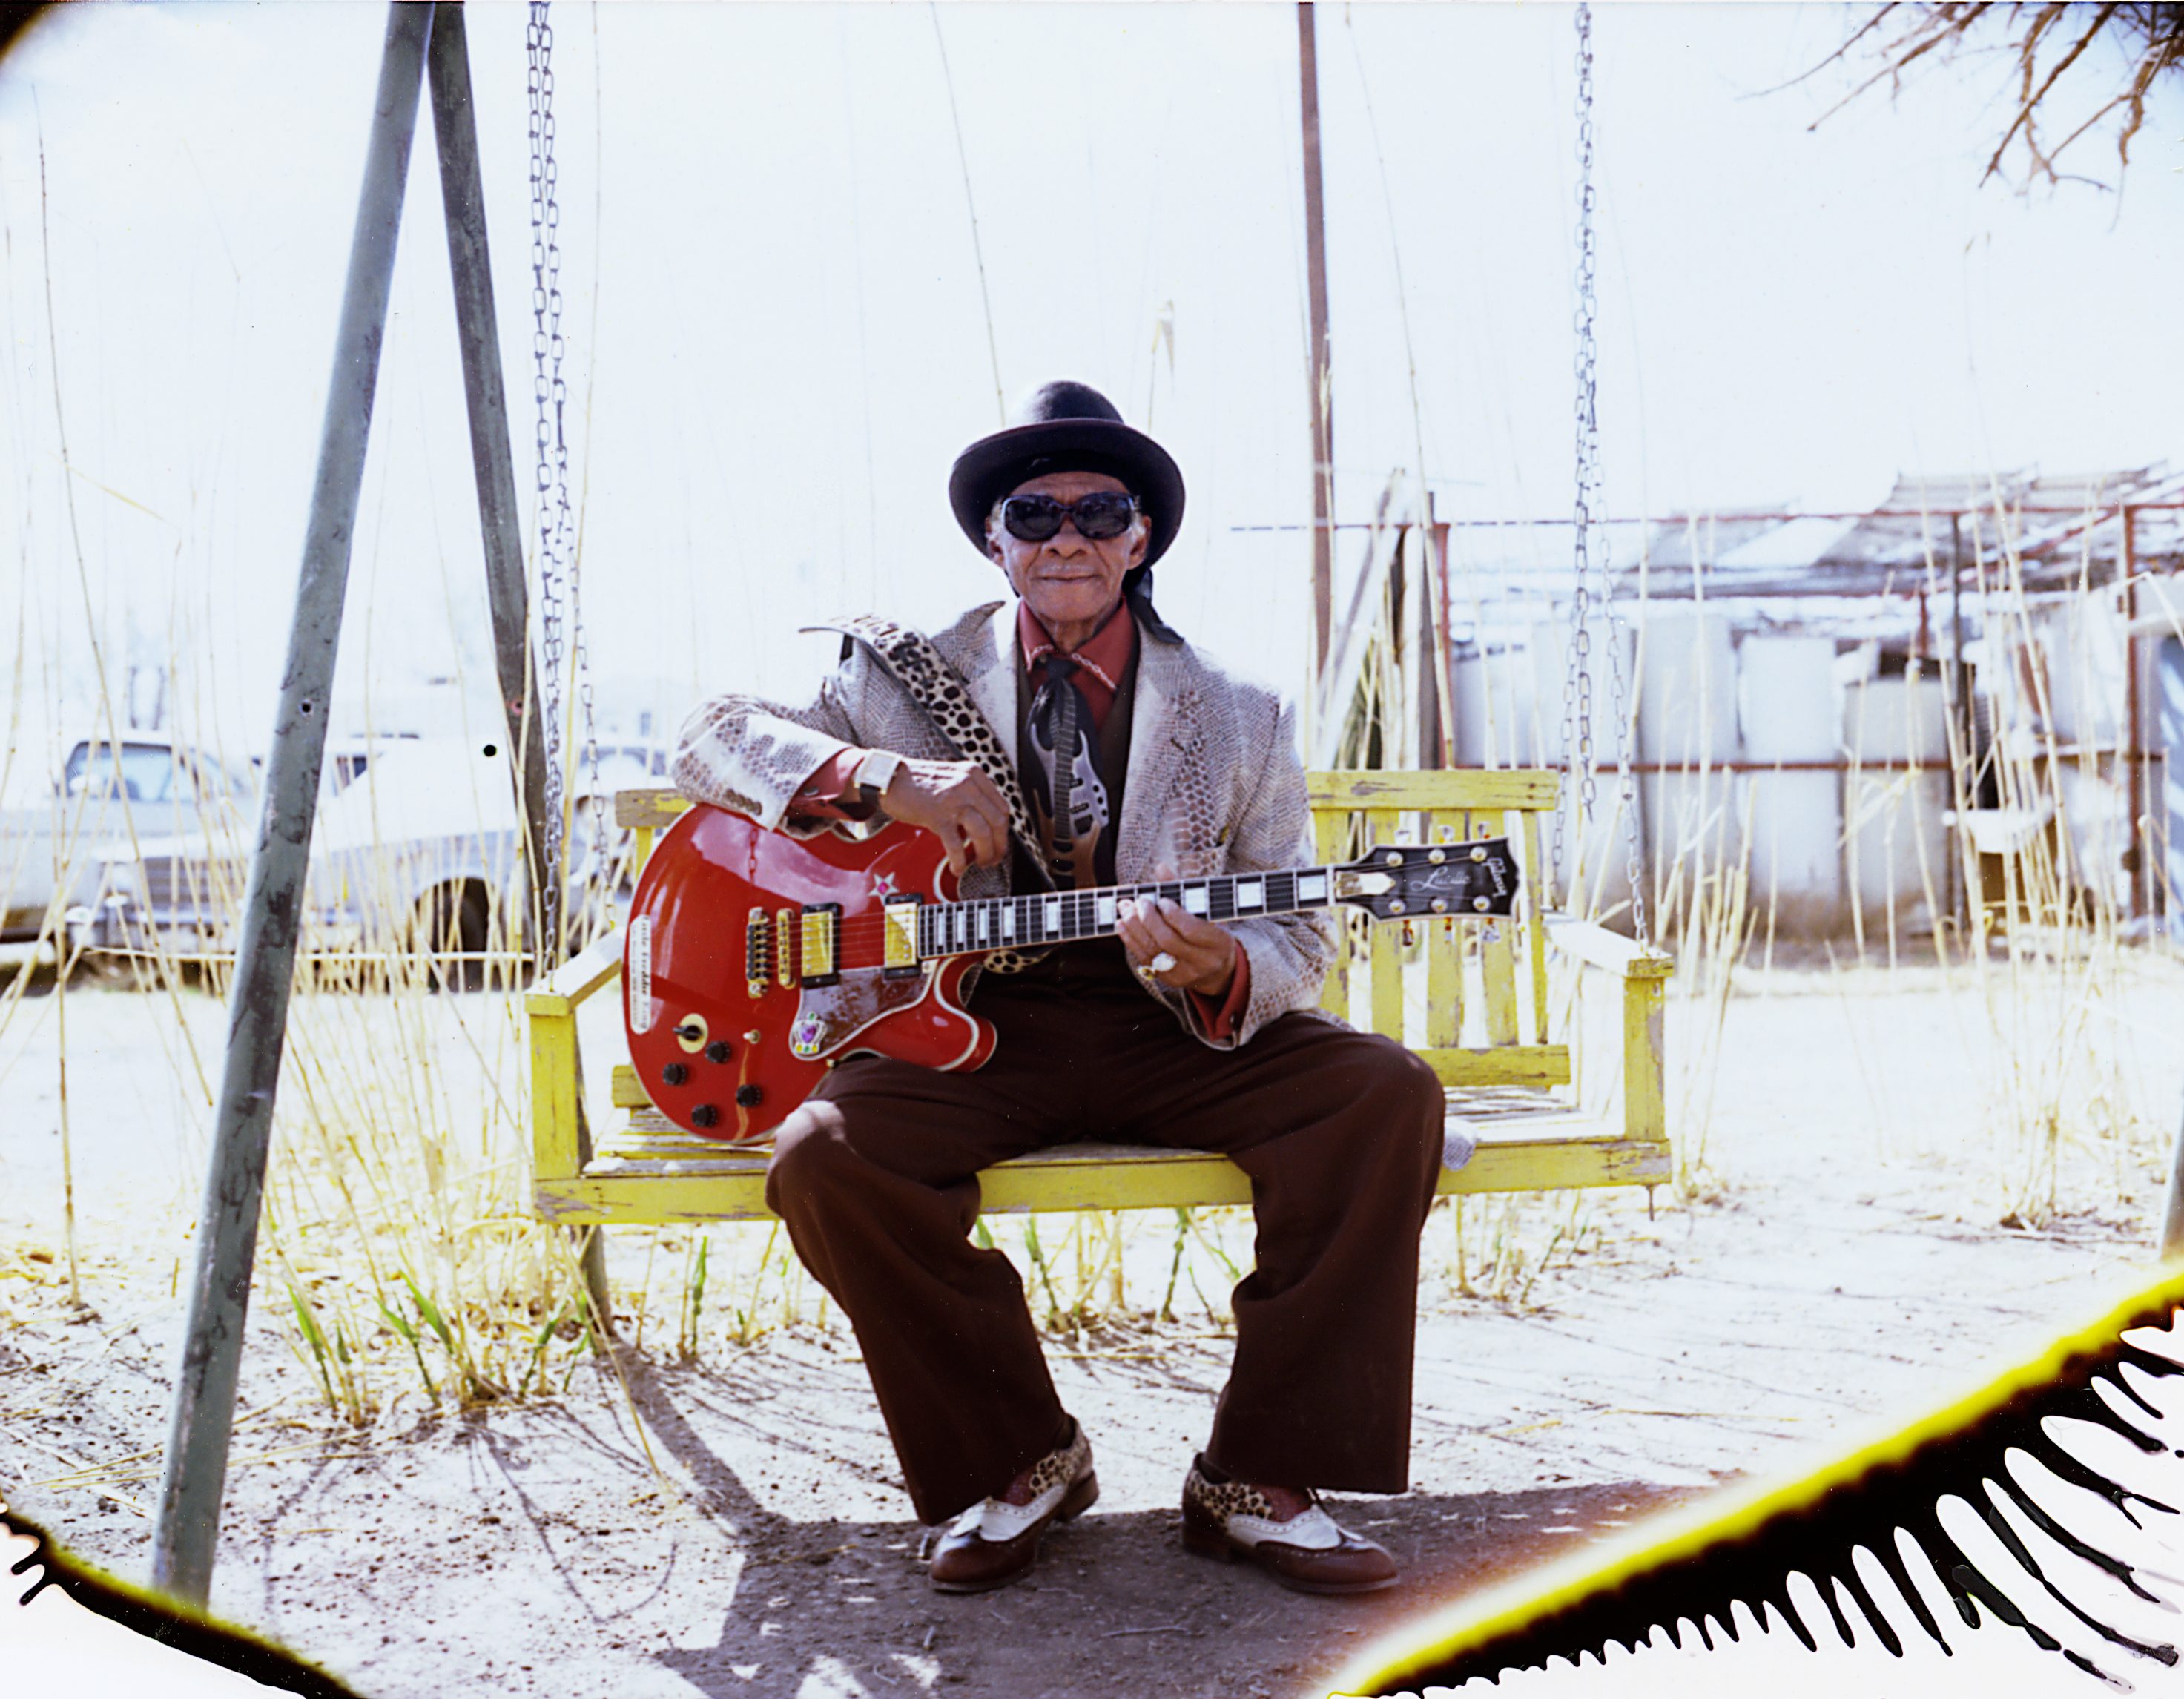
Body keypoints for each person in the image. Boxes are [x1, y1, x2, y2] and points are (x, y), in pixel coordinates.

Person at [672, 380, 1446, 1596]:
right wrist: (882, 779)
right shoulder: (897, 678)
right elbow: (708, 736)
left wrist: (1224, 962)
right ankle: (1017, 1457)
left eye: (1099, 512)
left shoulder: (1239, 713)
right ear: (996, 541)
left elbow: (1297, 923)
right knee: (823, 1160)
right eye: (1034, 514)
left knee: (1381, 1095)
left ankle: (1259, 1475)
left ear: (1140, 540)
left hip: (1173, 1023)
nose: (1067, 538)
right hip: (967, 1023)